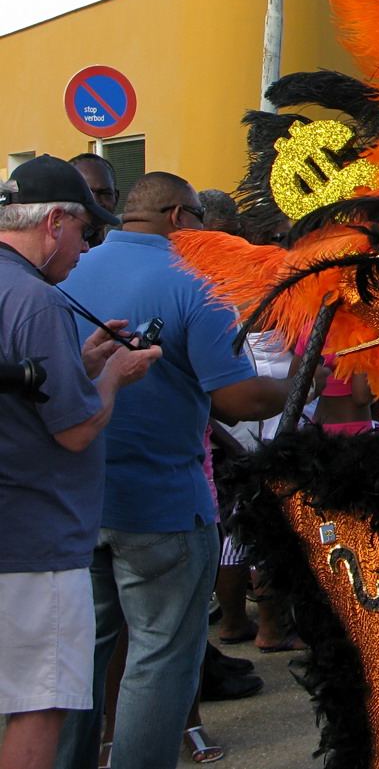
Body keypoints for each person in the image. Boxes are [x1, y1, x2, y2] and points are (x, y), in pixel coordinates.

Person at [53, 173, 289, 769]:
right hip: (163, 506)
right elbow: (237, 400)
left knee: (87, 652)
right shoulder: (193, 281)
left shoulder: (68, 272)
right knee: (160, 660)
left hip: (78, 502)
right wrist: (294, 385)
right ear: (181, 219)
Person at [0, 156, 154, 769]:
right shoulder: (36, 300)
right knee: (38, 706)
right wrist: (117, 373)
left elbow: (27, 397)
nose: (86, 250)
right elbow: (74, 432)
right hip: (38, 539)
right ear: (55, 221)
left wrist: (84, 366)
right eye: (86, 233)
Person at [66, 155, 119, 243]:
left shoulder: (123, 254)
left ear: (116, 198)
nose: (95, 202)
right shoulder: (49, 254)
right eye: (85, 193)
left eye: (104, 193)